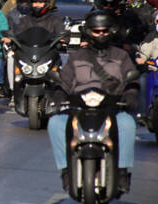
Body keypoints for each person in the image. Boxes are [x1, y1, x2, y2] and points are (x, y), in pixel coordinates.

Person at [46, 10, 138, 191]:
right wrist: (57, 97)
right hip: (79, 108)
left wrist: (131, 94)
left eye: (104, 31)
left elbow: (132, 80)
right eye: (97, 31)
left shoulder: (121, 56)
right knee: (55, 123)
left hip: (112, 107)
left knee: (127, 124)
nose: (101, 35)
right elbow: (64, 82)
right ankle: (66, 171)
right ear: (88, 32)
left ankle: (121, 172)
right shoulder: (77, 56)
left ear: (111, 32)